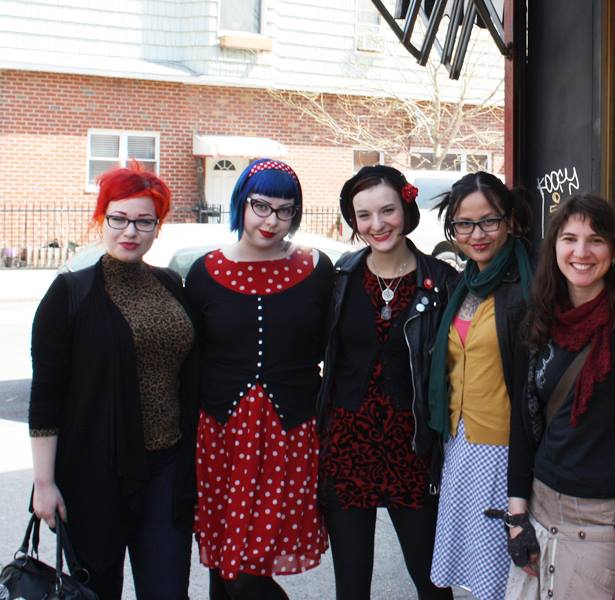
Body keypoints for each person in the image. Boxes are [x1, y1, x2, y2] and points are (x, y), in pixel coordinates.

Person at [29, 164, 196, 600]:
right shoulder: (70, 293)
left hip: (166, 469)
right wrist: (44, 483)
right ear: (101, 218)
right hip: (94, 473)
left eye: (144, 221)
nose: (131, 231)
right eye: (119, 218)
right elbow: (45, 397)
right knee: (97, 590)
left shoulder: (170, 284)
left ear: (158, 227)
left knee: (168, 591)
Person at [504, 194, 615, 599]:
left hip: (607, 522)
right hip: (540, 510)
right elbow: (522, 426)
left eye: (596, 240)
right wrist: (516, 515)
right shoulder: (536, 320)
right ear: (554, 247)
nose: (581, 252)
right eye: (569, 239)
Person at [186, 158, 331, 600]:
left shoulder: (317, 269)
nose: (272, 221)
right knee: (225, 565)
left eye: (285, 210)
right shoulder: (204, 273)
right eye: (262, 206)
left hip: (290, 434)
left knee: (247, 570)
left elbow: (336, 347)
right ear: (241, 204)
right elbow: (191, 361)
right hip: (223, 437)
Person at [317, 165, 455, 600]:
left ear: (406, 209)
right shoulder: (341, 277)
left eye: (387, 210)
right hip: (347, 448)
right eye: (364, 215)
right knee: (351, 586)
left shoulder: (441, 281)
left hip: (412, 450)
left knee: (432, 584)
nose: (377, 224)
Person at [428, 171, 533, 600]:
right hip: (461, 444)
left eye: (489, 221)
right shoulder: (462, 283)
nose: (477, 234)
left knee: (506, 574)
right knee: (477, 573)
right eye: (464, 224)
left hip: (506, 448)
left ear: (510, 221)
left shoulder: (530, 284)